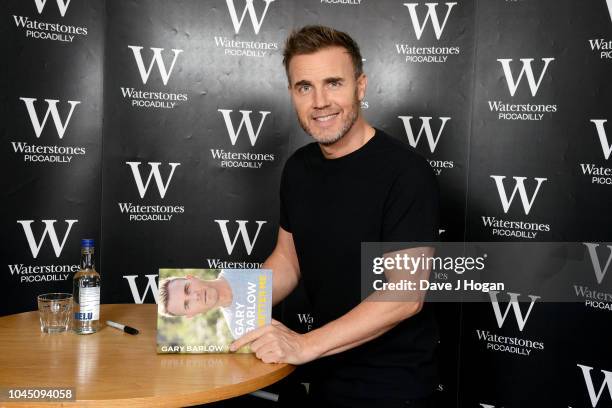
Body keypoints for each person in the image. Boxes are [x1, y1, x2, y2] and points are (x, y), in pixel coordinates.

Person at [228, 25, 440, 408]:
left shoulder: (406, 172)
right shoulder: (299, 168)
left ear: (360, 87)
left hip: (391, 387)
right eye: (304, 87)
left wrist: (304, 344)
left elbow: (404, 296)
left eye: (334, 83)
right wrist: (223, 297)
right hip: (325, 373)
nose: (320, 101)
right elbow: (287, 261)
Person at [159, 270, 256, 340]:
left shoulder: (237, 265)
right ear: (192, 314)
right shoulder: (241, 331)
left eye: (187, 289)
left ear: (192, 278)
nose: (195, 297)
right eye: (187, 304)